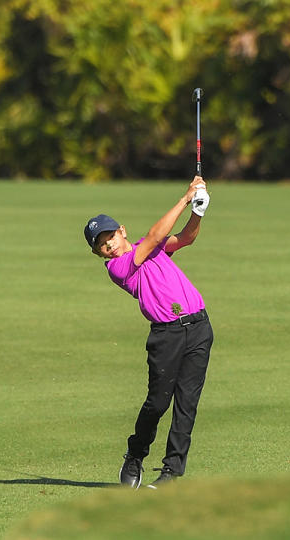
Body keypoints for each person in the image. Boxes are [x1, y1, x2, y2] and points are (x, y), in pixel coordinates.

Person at [83, 176, 213, 489]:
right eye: (100, 244)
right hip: (166, 335)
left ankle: (171, 472)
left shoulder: (148, 248)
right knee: (157, 403)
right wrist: (184, 198)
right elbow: (156, 237)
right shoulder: (118, 268)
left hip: (198, 328)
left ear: (121, 230)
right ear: (98, 254)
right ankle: (135, 453)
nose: (108, 245)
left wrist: (198, 210)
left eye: (109, 236)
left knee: (187, 403)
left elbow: (184, 239)